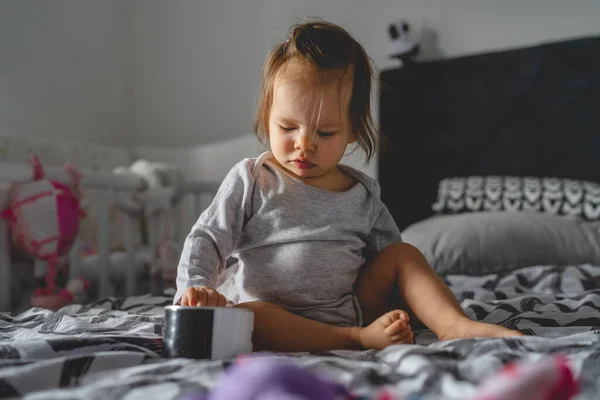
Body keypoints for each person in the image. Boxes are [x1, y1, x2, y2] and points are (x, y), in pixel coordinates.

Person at [174, 21, 522, 352]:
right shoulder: (252, 178)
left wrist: (409, 311)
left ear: (354, 129)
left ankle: (454, 325)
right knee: (249, 316)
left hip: (350, 308)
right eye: (287, 127)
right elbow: (208, 237)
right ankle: (354, 339)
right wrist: (197, 286)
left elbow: (390, 266)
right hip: (275, 316)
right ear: (268, 116)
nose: (304, 144)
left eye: (325, 133)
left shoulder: (363, 194)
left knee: (403, 255)